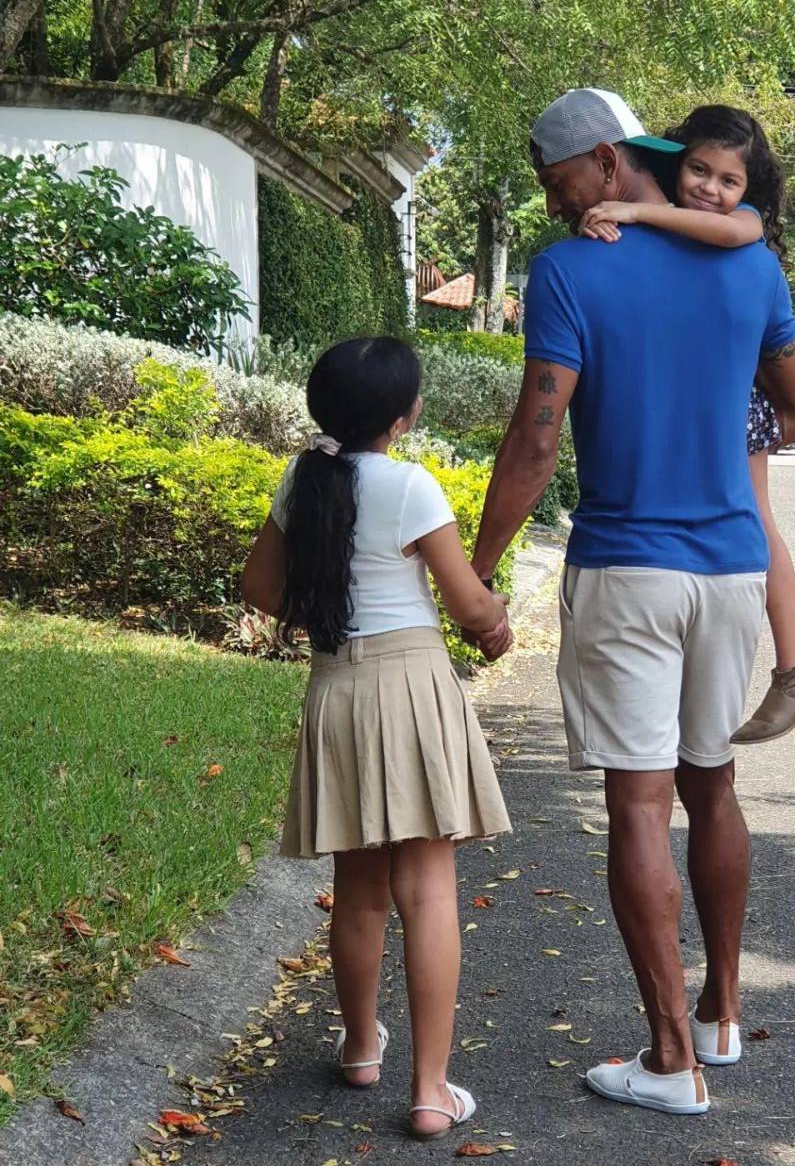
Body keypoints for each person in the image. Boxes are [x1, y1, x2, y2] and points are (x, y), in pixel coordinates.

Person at [468, 89, 795, 1115]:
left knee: (637, 804)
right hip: (729, 572)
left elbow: (538, 437)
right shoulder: (749, 264)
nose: (551, 202)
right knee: (709, 784)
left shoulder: (571, 268)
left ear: (606, 159)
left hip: (628, 568)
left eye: (557, 181)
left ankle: (672, 1061)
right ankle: (719, 1011)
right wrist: (717, 434)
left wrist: (484, 566)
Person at [240, 337, 512, 1140]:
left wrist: (326, 611)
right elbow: (466, 602)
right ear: (406, 415)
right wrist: (495, 624)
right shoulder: (410, 485)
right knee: (426, 888)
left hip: (337, 688)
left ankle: (362, 1048)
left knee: (358, 889)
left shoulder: (303, 479)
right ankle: (430, 1091)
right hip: (411, 688)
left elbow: (258, 585)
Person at [578, 104, 795, 743]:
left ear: (750, 191)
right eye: (698, 170)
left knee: (759, 519)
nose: (710, 190)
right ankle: (794, 673)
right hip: (710, 406)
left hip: (731, 406)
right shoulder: (674, 239)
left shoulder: (742, 230)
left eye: (728, 180)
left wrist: (634, 211)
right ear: (675, 161)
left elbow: (732, 235)